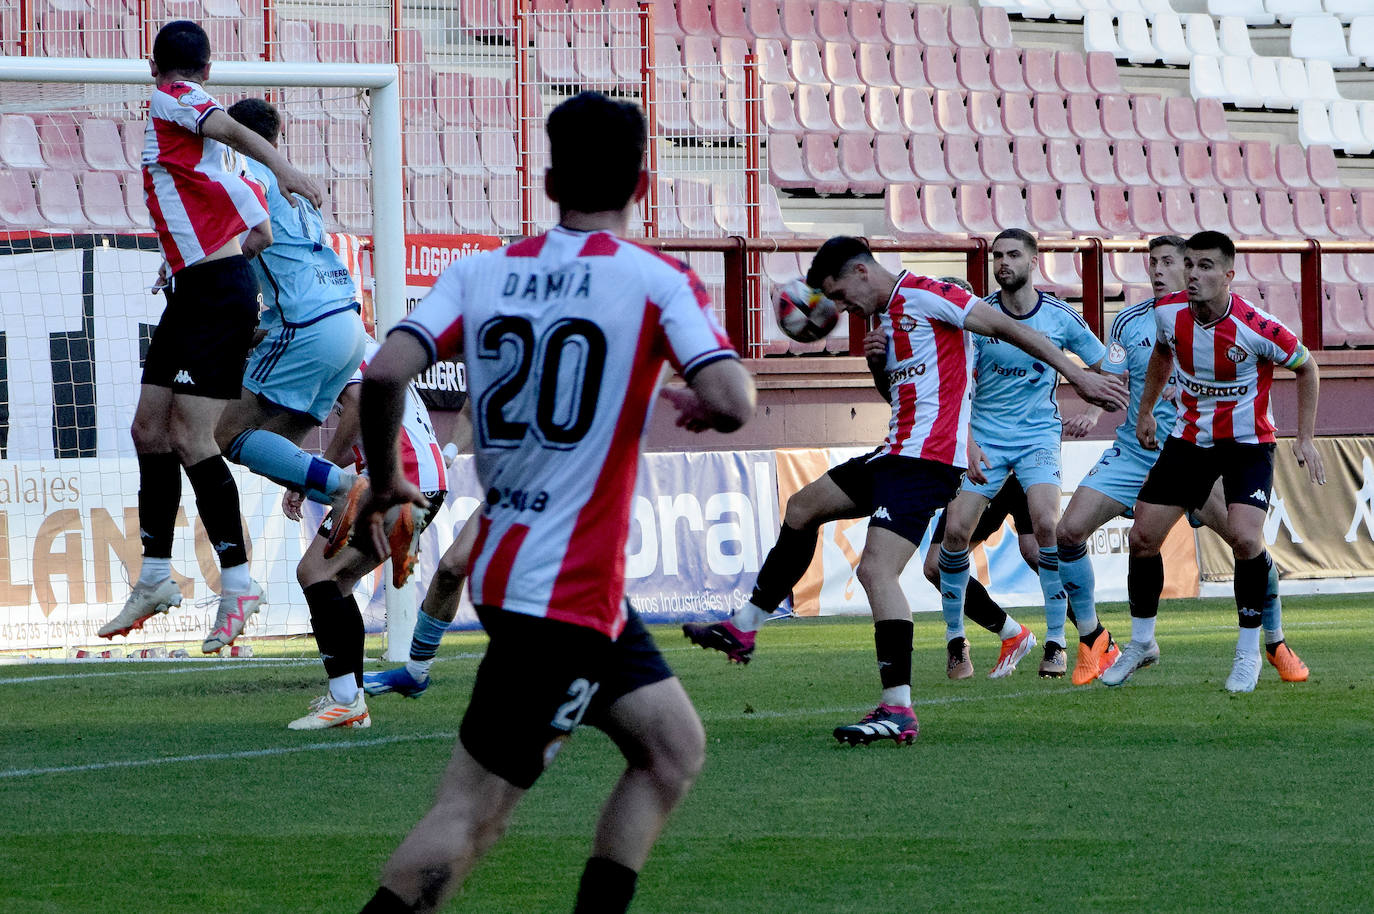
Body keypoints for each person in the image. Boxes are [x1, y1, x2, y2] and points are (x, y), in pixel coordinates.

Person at [349, 92, 756, 914]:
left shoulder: (479, 273)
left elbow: (387, 371)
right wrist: (708, 399)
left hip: (529, 569)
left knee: (672, 749)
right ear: (643, 183)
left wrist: (388, 472)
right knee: (472, 814)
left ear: (546, 179)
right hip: (562, 596)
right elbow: (732, 395)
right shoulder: (654, 279)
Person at [687, 237, 1126, 747]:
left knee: (876, 570)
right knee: (803, 506)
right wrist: (879, 364)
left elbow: (1005, 326)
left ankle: (898, 708)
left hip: (925, 461)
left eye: (841, 294)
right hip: (895, 453)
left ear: (859, 271)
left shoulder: (925, 292)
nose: (843, 308)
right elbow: (904, 391)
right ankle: (744, 627)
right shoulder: (886, 321)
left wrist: (1075, 373)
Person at [98, 20, 322, 653]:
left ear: (156, 68)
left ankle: (239, 582)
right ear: (210, 67)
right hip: (197, 293)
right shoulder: (220, 173)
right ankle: (153, 577)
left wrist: (283, 167)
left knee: (191, 437)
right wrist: (190, 260)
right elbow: (262, 236)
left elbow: (224, 124)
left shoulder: (173, 99)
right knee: (148, 428)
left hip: (213, 296)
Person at [1057, 236, 1310, 686]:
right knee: (1114, 535)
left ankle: (1264, 645)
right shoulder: (1154, 317)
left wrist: (1305, 439)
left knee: (1247, 543)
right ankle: (1119, 641)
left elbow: (1306, 365)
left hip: (1238, 447)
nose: (1182, 273)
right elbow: (1148, 361)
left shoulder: (1254, 325)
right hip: (1171, 446)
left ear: (1225, 274)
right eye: (1181, 264)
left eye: (1190, 265)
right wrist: (1141, 409)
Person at [935, 229, 1110, 680]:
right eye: (998, 256)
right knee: (954, 534)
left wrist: (1092, 410)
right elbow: (957, 383)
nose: (1003, 263)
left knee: (1049, 529)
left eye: (1013, 255)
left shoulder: (1059, 317)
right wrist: (966, 439)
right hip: (986, 439)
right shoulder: (977, 316)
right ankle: (957, 641)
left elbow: (1108, 366)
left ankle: (1057, 642)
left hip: (1036, 437)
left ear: (1034, 261)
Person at [281, 339, 448, 730]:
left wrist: (315, 467)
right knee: (340, 581)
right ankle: (350, 699)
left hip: (397, 477)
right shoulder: (366, 347)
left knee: (314, 573)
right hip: (425, 481)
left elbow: (355, 410)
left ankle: (345, 699)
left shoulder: (341, 345)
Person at [214, 97, 367, 509]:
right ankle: (362, 508)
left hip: (308, 326)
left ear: (233, 136)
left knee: (225, 434)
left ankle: (361, 492)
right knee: (274, 448)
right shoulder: (295, 183)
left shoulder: (250, 173)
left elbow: (256, 240)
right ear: (276, 137)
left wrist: (211, 274)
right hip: (348, 323)